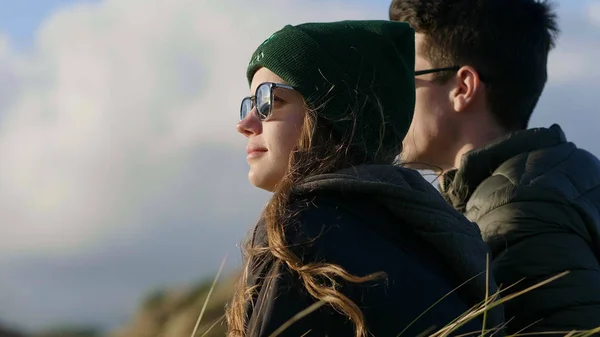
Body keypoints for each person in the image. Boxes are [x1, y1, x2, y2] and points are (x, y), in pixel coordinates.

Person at [227, 20, 503, 337]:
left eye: (268, 100)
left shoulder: (299, 232)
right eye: (249, 104)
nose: (246, 123)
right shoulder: (435, 229)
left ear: (331, 112)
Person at [389, 0, 600, 334]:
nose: (392, 97)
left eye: (403, 76)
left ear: (463, 87)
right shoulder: (570, 170)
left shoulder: (515, 213)